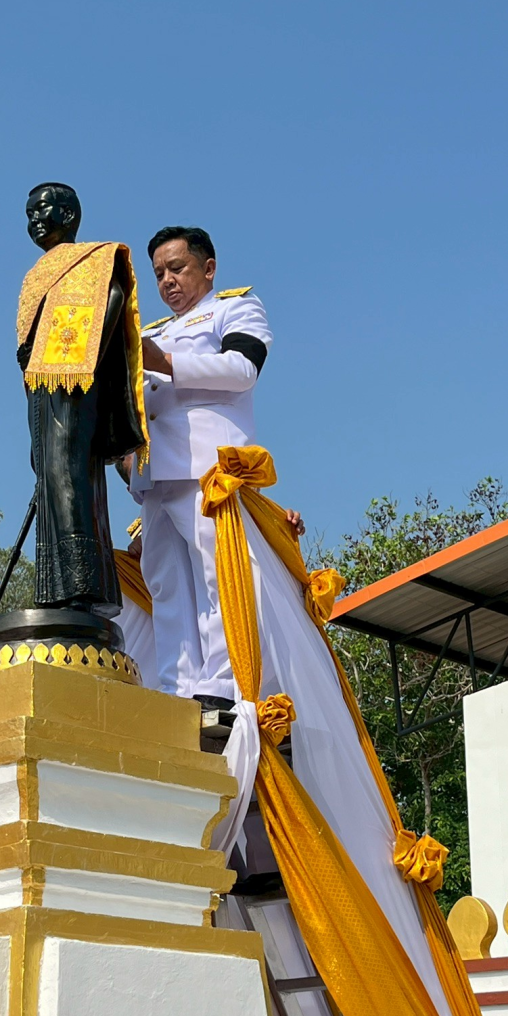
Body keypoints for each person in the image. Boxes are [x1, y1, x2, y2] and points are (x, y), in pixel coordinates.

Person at [130, 226, 301, 704]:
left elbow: (243, 370)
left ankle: (223, 683)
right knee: (164, 582)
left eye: (177, 268)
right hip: (154, 469)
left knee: (215, 572)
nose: (167, 281)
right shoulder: (147, 333)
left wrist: (165, 362)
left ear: (208, 268)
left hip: (207, 464)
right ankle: (177, 688)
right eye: (159, 273)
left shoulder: (234, 308)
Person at [17, 181, 147, 616]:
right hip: (43, 387)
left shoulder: (93, 259)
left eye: (43, 210)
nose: (34, 219)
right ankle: (57, 585)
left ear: (69, 215)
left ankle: (84, 584)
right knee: (49, 477)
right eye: (29, 212)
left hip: (74, 384)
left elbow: (112, 298)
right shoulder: (40, 271)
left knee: (69, 476)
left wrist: (83, 355)